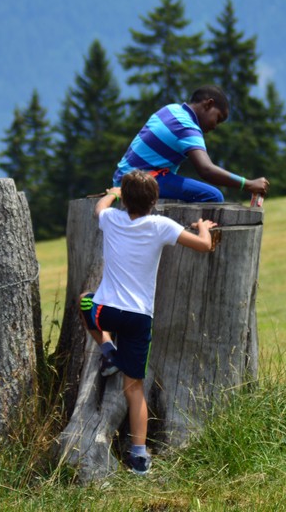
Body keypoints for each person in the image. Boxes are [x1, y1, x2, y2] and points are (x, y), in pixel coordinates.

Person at [78, 170, 217, 475]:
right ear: (155, 200)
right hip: (139, 318)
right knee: (134, 386)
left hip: (107, 313)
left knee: (85, 300)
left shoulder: (111, 219)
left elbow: (98, 208)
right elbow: (204, 246)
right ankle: (139, 455)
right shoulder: (160, 225)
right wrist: (203, 227)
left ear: (125, 200)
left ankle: (107, 350)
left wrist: (112, 192)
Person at [113, 85, 269, 203]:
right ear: (208, 104)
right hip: (139, 181)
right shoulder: (187, 127)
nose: (215, 126)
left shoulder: (171, 109)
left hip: (124, 178)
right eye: (218, 118)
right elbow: (206, 170)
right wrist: (247, 184)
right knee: (213, 196)